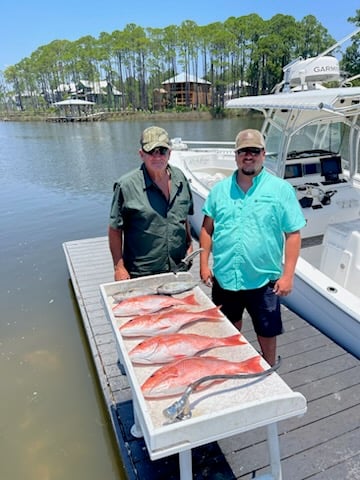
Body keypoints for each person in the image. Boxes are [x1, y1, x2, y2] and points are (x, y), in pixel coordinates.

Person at [199, 129, 306, 366]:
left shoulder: (281, 190)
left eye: (254, 151)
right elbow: (207, 228)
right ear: (236, 155)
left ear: (263, 154)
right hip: (226, 276)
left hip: (263, 279)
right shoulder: (219, 190)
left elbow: (293, 234)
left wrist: (288, 276)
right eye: (243, 151)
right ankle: (232, 361)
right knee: (228, 323)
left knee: (267, 330)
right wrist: (204, 264)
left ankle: (269, 366)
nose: (249, 156)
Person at [108, 126, 194, 281]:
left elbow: (184, 216)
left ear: (170, 153)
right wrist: (119, 267)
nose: (157, 157)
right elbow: (115, 229)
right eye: (151, 152)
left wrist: (189, 243)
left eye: (162, 151)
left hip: (178, 268)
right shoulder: (125, 186)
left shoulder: (181, 178)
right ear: (141, 154)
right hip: (142, 273)